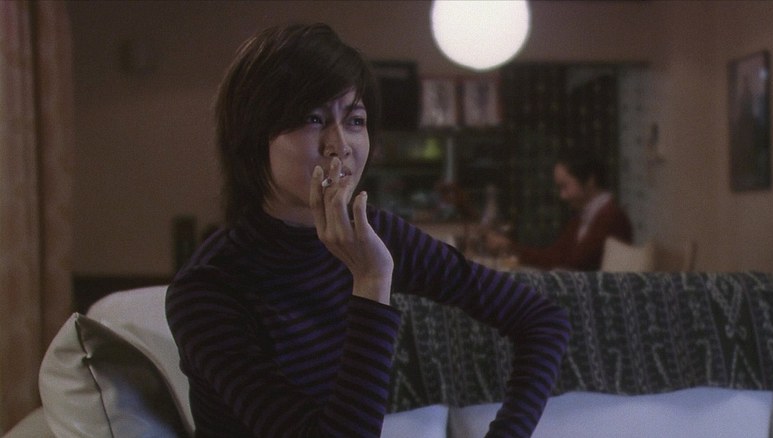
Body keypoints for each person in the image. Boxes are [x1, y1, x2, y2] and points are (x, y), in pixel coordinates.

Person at [165, 23, 571, 438]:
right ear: (252, 136)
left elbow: (542, 320)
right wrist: (372, 280)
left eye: (355, 120)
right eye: (313, 118)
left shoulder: (374, 232)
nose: (340, 144)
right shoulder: (208, 289)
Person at [486, 152, 633, 271]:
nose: (562, 196)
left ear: (590, 180)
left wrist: (510, 248)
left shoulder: (611, 217)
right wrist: (509, 247)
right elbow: (553, 256)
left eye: (565, 186)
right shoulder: (584, 217)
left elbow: (571, 262)